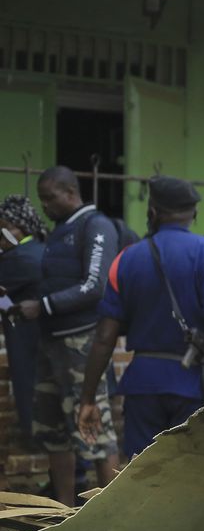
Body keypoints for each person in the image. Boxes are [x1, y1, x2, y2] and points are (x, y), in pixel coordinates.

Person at [77, 176, 204, 459]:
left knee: (143, 475)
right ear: (194, 214)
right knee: (197, 474)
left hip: (143, 385)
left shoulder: (126, 259)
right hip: (196, 386)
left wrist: (88, 399)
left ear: (152, 211)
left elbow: (104, 337)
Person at [13, 167, 119, 505]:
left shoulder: (95, 225)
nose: (44, 206)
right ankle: (64, 510)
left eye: (50, 198)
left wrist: (42, 305)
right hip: (50, 343)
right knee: (53, 432)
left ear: (70, 192)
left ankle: (110, 514)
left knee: (94, 431)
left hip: (81, 344)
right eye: (41, 199)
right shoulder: (58, 231)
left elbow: (94, 285)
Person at [0, 195, 48, 447]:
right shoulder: (44, 248)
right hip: (45, 341)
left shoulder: (18, 258)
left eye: (6, 227)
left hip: (28, 342)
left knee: (32, 397)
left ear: (22, 228)